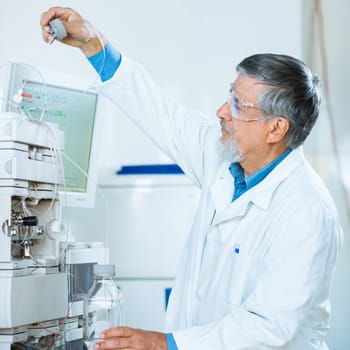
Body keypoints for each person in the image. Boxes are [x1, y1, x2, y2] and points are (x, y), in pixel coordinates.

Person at [41, 7, 343, 350]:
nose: (221, 111)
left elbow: (268, 326)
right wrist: (93, 43)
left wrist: (164, 343)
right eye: (229, 95)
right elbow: (161, 114)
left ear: (276, 128)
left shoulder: (306, 210)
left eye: (238, 106)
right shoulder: (224, 155)